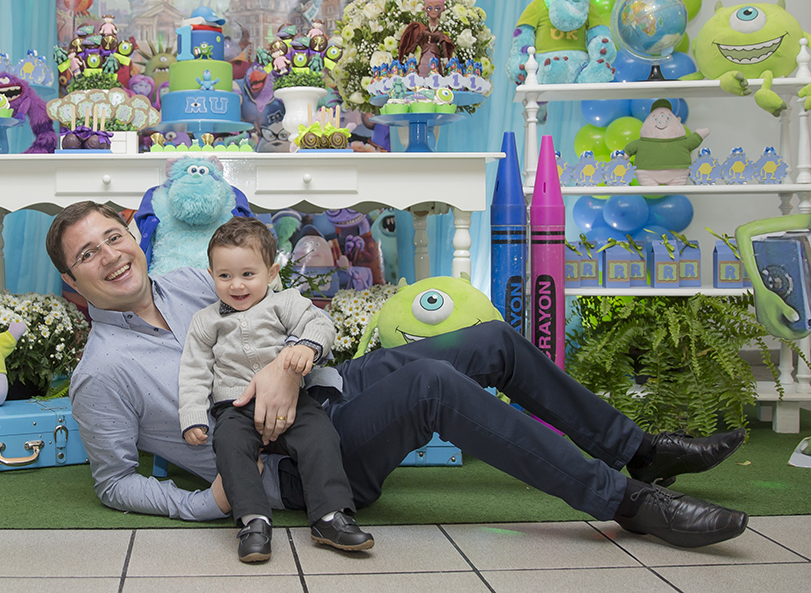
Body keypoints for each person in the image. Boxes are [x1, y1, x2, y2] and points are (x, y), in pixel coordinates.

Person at [49, 201, 748, 549]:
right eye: (88, 255)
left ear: (133, 236)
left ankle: (637, 450)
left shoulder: (191, 282)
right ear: (72, 282)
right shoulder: (102, 373)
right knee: (431, 386)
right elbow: (113, 483)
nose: (110, 256)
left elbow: (298, 317)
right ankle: (626, 502)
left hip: (327, 391)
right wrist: (209, 501)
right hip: (296, 464)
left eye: (114, 236)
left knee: (491, 342)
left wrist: (292, 361)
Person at [179, 217, 373, 562]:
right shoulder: (206, 320)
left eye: (248, 274)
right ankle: (253, 521)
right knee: (230, 446)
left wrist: (306, 346)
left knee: (320, 437)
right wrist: (193, 415)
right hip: (235, 406)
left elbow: (320, 323)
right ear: (211, 275)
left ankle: (330, 516)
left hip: (292, 400)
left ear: (271, 273)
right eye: (225, 276)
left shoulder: (285, 302)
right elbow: (194, 370)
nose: (237, 285)